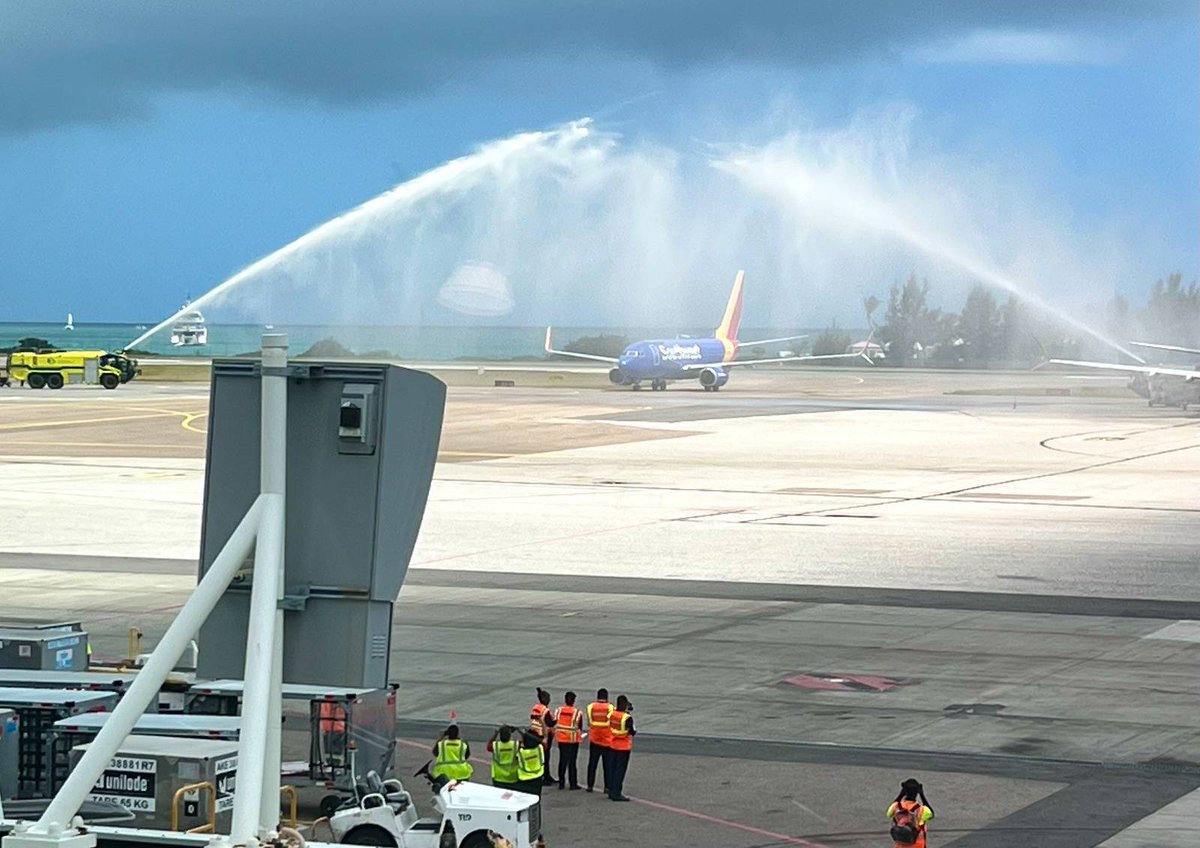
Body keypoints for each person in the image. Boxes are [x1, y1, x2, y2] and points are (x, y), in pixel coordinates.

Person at [887, 778, 934, 847]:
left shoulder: (896, 806)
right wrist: (922, 795)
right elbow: (931, 814)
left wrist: (900, 795)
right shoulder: (921, 810)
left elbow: (889, 813)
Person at [606, 695, 635, 801]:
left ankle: (611, 790)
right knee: (620, 771)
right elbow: (632, 731)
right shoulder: (626, 717)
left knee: (612, 769)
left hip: (612, 745)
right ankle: (616, 793)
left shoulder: (612, 714)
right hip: (623, 747)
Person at [584, 688, 613, 793]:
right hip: (606, 740)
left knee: (592, 764)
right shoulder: (610, 707)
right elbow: (611, 722)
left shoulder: (590, 707)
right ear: (607, 697)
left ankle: (590, 785)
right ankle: (607, 787)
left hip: (594, 738)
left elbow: (590, 722)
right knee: (607, 765)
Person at [553, 691, 583, 790]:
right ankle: (572, 783)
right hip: (572, 740)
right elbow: (580, 727)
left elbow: (554, 722)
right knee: (572, 762)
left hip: (561, 739)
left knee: (562, 760)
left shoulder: (558, 710)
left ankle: (561, 783)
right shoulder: (577, 712)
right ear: (574, 701)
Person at [529, 688, 557, 785]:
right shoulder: (545, 710)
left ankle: (546, 776)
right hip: (543, 736)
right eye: (548, 698)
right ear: (544, 699)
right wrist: (557, 718)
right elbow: (550, 723)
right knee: (545, 757)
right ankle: (545, 777)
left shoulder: (535, 707)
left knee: (541, 757)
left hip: (534, 734)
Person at [487, 725, 520, 790]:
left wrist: (495, 734)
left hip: (499, 777)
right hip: (512, 777)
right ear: (510, 735)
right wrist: (519, 730)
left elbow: (489, 746)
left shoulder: (495, 745)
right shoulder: (516, 744)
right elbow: (527, 741)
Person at [515, 729, 547, 796]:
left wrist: (521, 732)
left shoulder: (521, 752)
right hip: (537, 777)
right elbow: (542, 741)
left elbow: (519, 744)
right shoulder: (540, 748)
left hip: (524, 779)